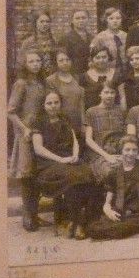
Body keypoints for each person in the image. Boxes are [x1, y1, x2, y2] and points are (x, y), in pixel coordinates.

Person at [31, 90, 96, 239]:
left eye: (56, 102)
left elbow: (74, 141)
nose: (53, 106)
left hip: (69, 160)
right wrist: (60, 159)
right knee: (73, 177)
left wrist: (74, 155)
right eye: (49, 103)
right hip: (48, 165)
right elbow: (38, 149)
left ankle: (81, 221)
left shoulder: (65, 119)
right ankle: (76, 222)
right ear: (43, 105)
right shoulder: (38, 122)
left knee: (88, 174)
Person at [87, 135, 139, 240]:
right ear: (121, 151)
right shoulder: (114, 173)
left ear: (138, 151)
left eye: (134, 150)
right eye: (127, 150)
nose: (131, 153)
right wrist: (108, 210)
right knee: (92, 228)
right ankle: (133, 231)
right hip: (121, 214)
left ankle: (133, 229)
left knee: (121, 229)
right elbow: (107, 202)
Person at [7, 50, 47, 232]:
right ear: (25, 64)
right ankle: (27, 215)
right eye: (31, 61)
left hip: (40, 133)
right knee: (27, 175)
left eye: (38, 60)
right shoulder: (21, 84)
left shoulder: (40, 84)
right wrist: (24, 129)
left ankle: (35, 213)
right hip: (26, 135)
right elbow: (11, 111)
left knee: (37, 174)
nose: (35, 64)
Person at [83, 81, 127, 184]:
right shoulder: (92, 112)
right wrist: (106, 156)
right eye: (106, 92)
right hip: (100, 153)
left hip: (120, 152)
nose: (109, 95)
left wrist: (124, 154)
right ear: (100, 94)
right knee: (112, 173)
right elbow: (88, 139)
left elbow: (126, 136)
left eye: (112, 92)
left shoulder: (120, 110)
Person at [46, 47, 86, 142]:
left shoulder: (76, 78)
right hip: (61, 124)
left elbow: (81, 102)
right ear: (56, 62)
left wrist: (83, 123)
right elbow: (52, 105)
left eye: (68, 60)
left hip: (77, 122)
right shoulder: (51, 80)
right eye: (61, 60)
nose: (65, 63)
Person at [80, 43, 122, 111]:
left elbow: (122, 97)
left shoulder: (117, 74)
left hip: (113, 114)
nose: (101, 60)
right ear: (92, 59)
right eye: (97, 57)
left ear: (109, 57)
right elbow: (81, 101)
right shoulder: (84, 77)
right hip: (92, 116)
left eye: (104, 57)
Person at [17, 9, 57, 77]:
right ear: (35, 23)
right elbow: (21, 64)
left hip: (51, 78)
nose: (45, 24)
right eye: (41, 21)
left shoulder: (54, 42)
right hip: (34, 78)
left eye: (47, 22)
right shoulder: (28, 42)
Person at [92, 6, 127, 70]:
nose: (115, 21)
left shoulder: (126, 36)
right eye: (111, 18)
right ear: (106, 20)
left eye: (118, 18)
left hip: (125, 71)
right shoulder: (100, 37)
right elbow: (93, 57)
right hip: (107, 71)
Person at [61, 9, 94, 74]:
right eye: (77, 18)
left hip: (90, 73)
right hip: (74, 73)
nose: (81, 21)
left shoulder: (92, 38)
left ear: (88, 19)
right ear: (72, 21)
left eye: (83, 18)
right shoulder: (66, 38)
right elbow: (63, 59)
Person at [119, 45, 139, 110]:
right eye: (131, 59)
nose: (134, 61)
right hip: (130, 109)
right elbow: (123, 97)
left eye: (137, 58)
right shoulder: (125, 77)